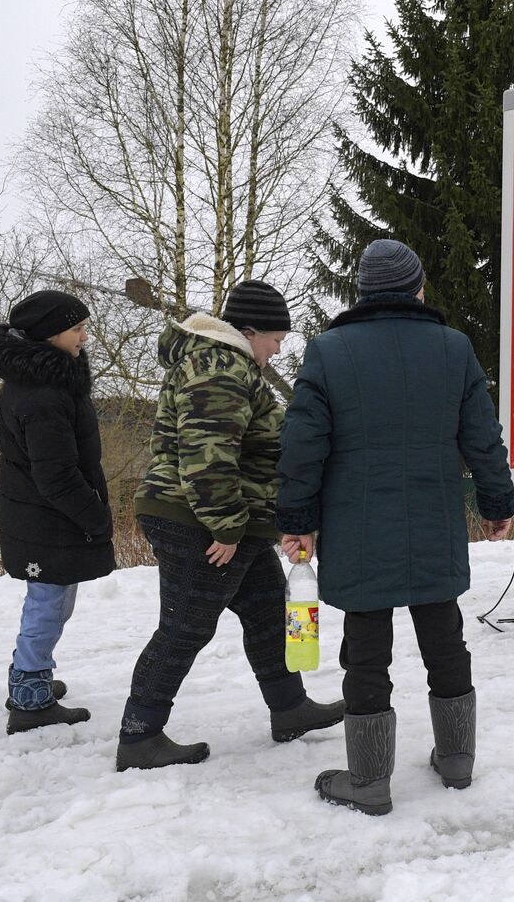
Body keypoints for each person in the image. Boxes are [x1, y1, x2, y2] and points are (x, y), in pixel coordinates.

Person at [277, 239, 514, 816]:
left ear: (362, 291)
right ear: (417, 288)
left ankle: (369, 781)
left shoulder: (329, 351)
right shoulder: (453, 348)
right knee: (445, 638)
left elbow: (303, 445)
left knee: (365, 652)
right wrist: (495, 501)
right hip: (433, 518)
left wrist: (297, 521)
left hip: (357, 525)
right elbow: (480, 438)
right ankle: (457, 762)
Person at [117, 280, 344, 771]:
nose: (277, 351)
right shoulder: (220, 366)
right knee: (185, 626)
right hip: (198, 517)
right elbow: (207, 455)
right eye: (275, 340)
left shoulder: (227, 364)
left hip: (223, 518)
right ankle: (140, 735)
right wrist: (225, 527)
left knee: (267, 610)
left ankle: (290, 709)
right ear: (248, 331)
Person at [0, 290, 113, 735]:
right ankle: (29, 699)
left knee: (53, 603)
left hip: (46, 521)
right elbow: (56, 476)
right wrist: (95, 516)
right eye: (77, 329)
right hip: (48, 521)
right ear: (51, 335)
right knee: (48, 605)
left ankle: (30, 677)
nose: (84, 337)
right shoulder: (42, 396)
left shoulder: (49, 383)